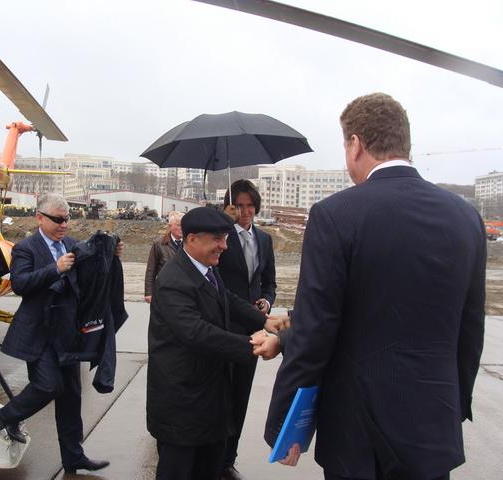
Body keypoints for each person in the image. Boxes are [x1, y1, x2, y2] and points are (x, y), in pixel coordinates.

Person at [253, 93, 486, 480]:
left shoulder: (335, 215)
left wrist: (285, 424)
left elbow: (316, 331)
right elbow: (470, 328)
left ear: (356, 144)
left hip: (359, 435)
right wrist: (452, 407)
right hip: (433, 428)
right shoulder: (466, 217)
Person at [147, 206, 289, 480]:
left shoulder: (206, 268)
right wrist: (250, 344)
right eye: (217, 239)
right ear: (191, 239)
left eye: (225, 238)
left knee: (209, 466)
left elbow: (227, 299)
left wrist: (264, 320)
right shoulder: (172, 281)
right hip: (183, 403)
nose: (224, 246)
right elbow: (196, 333)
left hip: (211, 396)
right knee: (178, 471)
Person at [0, 193, 110, 475]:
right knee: (48, 386)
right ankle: (4, 417)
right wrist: (54, 269)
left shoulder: (72, 244)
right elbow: (20, 284)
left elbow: (90, 272)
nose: (64, 225)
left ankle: (74, 457)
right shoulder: (26, 248)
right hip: (39, 333)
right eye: (58, 220)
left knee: (71, 397)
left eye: (67, 219)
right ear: (40, 218)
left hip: (67, 334)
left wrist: (111, 253)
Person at [218, 179, 276, 480]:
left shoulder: (264, 239)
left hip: (252, 329)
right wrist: (222, 221)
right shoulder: (221, 237)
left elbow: (269, 281)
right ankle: (214, 454)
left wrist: (267, 301)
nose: (244, 211)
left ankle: (229, 458)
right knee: (220, 394)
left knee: (241, 395)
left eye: (250, 205)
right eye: (239, 205)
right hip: (224, 325)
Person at [144, 211, 184, 303]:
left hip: (184, 290)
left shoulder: (190, 244)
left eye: (184, 225)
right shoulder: (159, 244)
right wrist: (148, 293)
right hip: (165, 289)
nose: (182, 228)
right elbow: (151, 270)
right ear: (170, 226)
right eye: (179, 225)